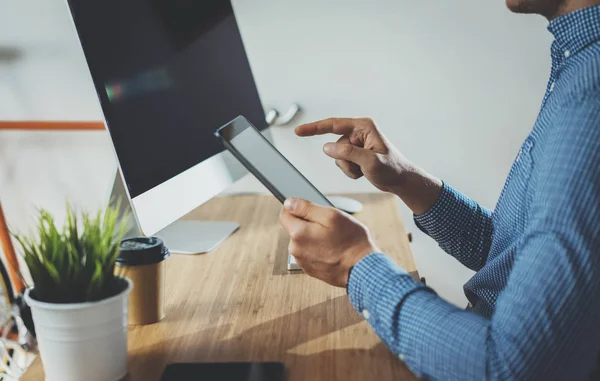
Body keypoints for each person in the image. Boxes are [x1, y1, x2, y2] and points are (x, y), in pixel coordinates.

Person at [279, 1, 600, 380]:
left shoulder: (589, 97)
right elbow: (507, 255)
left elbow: (509, 367)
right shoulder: (577, 61)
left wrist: (354, 263)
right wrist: (404, 179)